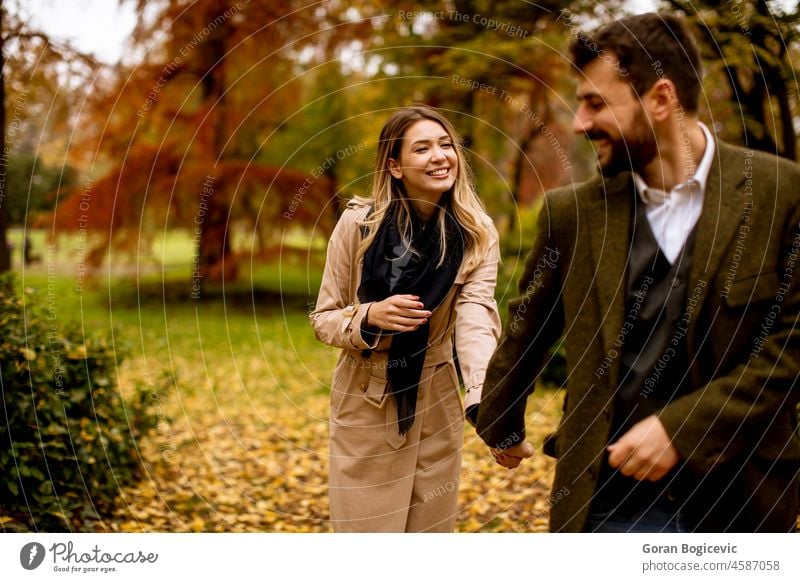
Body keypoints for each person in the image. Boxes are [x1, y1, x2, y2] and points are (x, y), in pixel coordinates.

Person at [476, 12, 800, 532]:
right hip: (609, 501)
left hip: (741, 501)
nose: (579, 123)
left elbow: (791, 348)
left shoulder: (781, 195)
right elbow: (529, 322)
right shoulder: (572, 213)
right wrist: (498, 418)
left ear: (661, 98)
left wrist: (683, 429)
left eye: (595, 103)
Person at [310, 105, 500, 532]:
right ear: (394, 166)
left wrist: (483, 399)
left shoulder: (477, 233)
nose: (440, 156)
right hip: (365, 396)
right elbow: (323, 318)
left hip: (436, 401)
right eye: (423, 148)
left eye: (446, 145)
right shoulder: (359, 224)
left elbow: (475, 319)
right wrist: (369, 315)